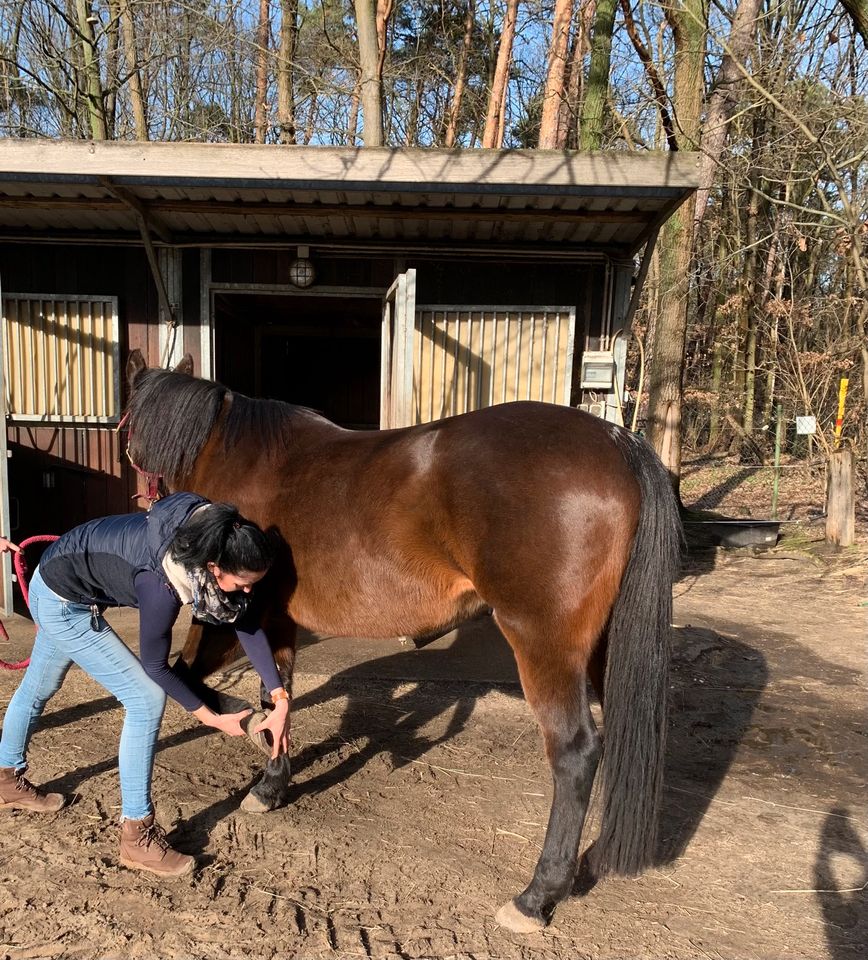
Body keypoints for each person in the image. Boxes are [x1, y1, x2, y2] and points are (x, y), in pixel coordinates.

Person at [0, 493, 290, 878]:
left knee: (40, 685)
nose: (248, 591)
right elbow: (156, 665)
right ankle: (137, 836)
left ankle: (5, 779)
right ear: (213, 568)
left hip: (58, 579)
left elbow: (246, 620)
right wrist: (211, 718)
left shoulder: (213, 537)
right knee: (145, 697)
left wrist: (279, 695)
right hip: (61, 601)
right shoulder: (161, 583)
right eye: (241, 583)